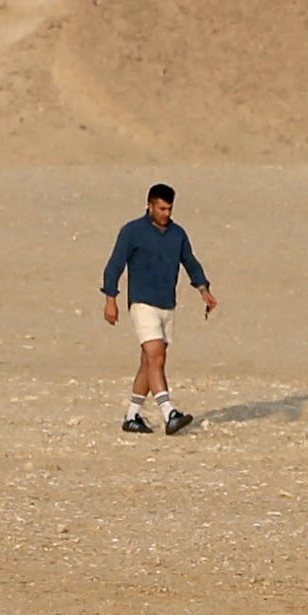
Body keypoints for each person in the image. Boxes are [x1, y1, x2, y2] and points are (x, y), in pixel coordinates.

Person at [99, 182, 215, 434]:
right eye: (161, 208)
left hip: (167, 304)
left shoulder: (177, 234)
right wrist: (111, 299)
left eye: (169, 209)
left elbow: (190, 262)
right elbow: (114, 265)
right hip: (142, 302)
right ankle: (168, 412)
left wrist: (203, 289)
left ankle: (132, 416)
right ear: (150, 205)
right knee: (156, 357)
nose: (166, 214)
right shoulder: (132, 231)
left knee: (148, 362)